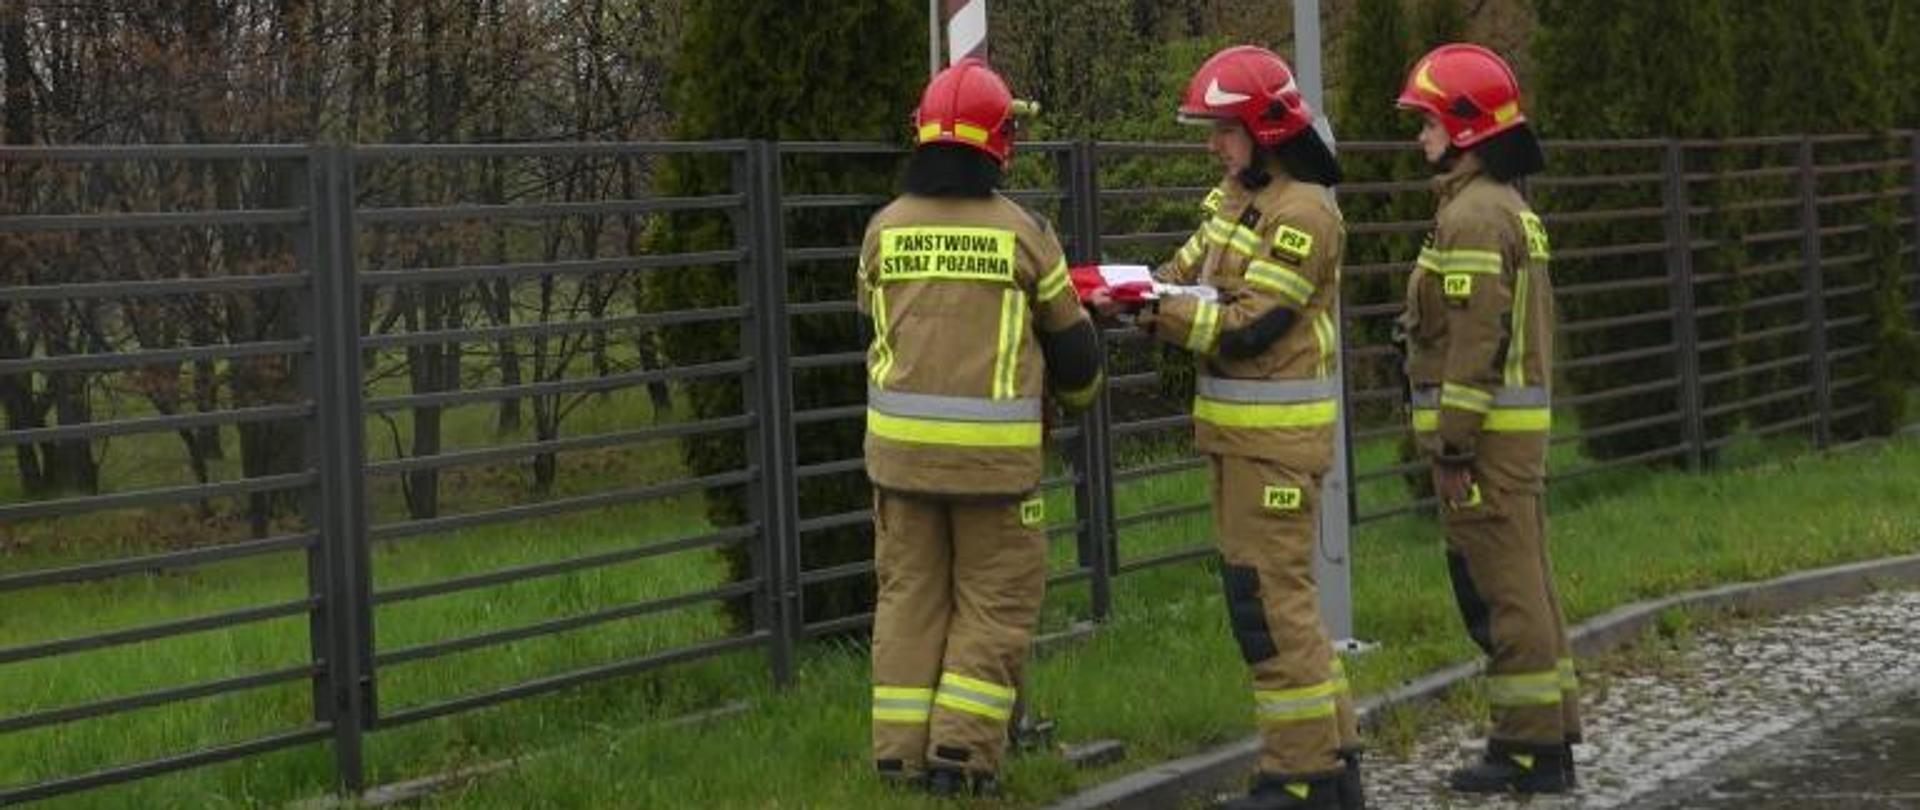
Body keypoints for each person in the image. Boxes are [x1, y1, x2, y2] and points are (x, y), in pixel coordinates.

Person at [1098, 45, 1361, 810]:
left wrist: (1157, 311)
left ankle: (1298, 777)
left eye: (1224, 130)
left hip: (1272, 449)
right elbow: (1179, 277)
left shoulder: (1302, 212)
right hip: (1242, 442)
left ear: (1265, 131)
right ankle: (1334, 770)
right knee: (1282, 605)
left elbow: (1252, 325)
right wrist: (1123, 293)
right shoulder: (1235, 201)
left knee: (1270, 610)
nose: (1214, 145)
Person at [860, 57, 1105, 798]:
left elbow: (875, 325)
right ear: (1001, 142)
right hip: (995, 472)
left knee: (909, 600)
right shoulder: (1025, 234)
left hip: (900, 465)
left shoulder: (882, 230)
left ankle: (898, 758)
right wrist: (1081, 396)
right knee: (994, 605)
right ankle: (961, 758)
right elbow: (1073, 349)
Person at [1392, 43, 1580, 794]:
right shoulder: (1506, 208)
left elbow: (1474, 344)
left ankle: (1525, 749)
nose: (1420, 138)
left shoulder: (1472, 217)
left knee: (1502, 593)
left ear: (1465, 128)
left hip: (1487, 442)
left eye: (1429, 122)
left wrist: (1451, 444)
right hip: (1514, 436)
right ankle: (1550, 737)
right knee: (1528, 584)